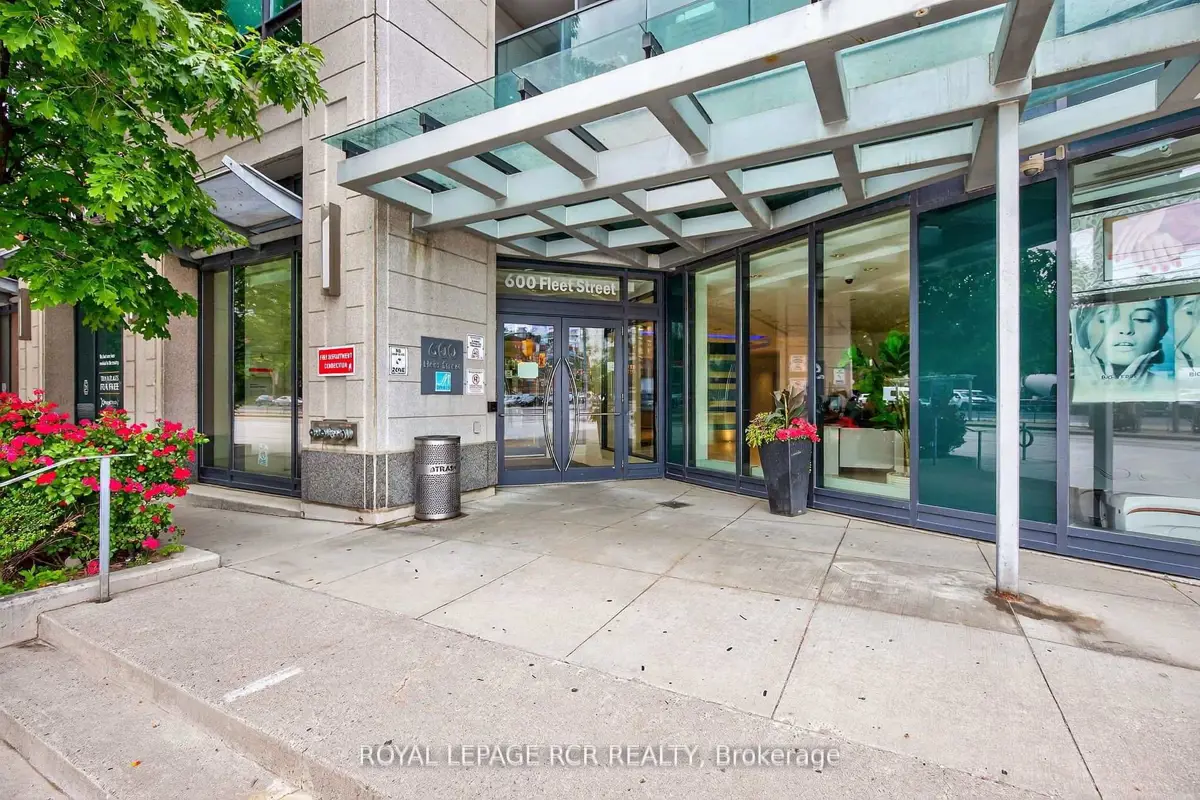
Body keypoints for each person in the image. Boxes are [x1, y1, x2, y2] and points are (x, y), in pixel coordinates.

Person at [1074, 298, 1171, 401]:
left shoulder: (1171, 390)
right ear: (1084, 328)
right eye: (1106, 319)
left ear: (1162, 330)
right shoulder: (1068, 389)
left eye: (1142, 318)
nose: (1126, 329)